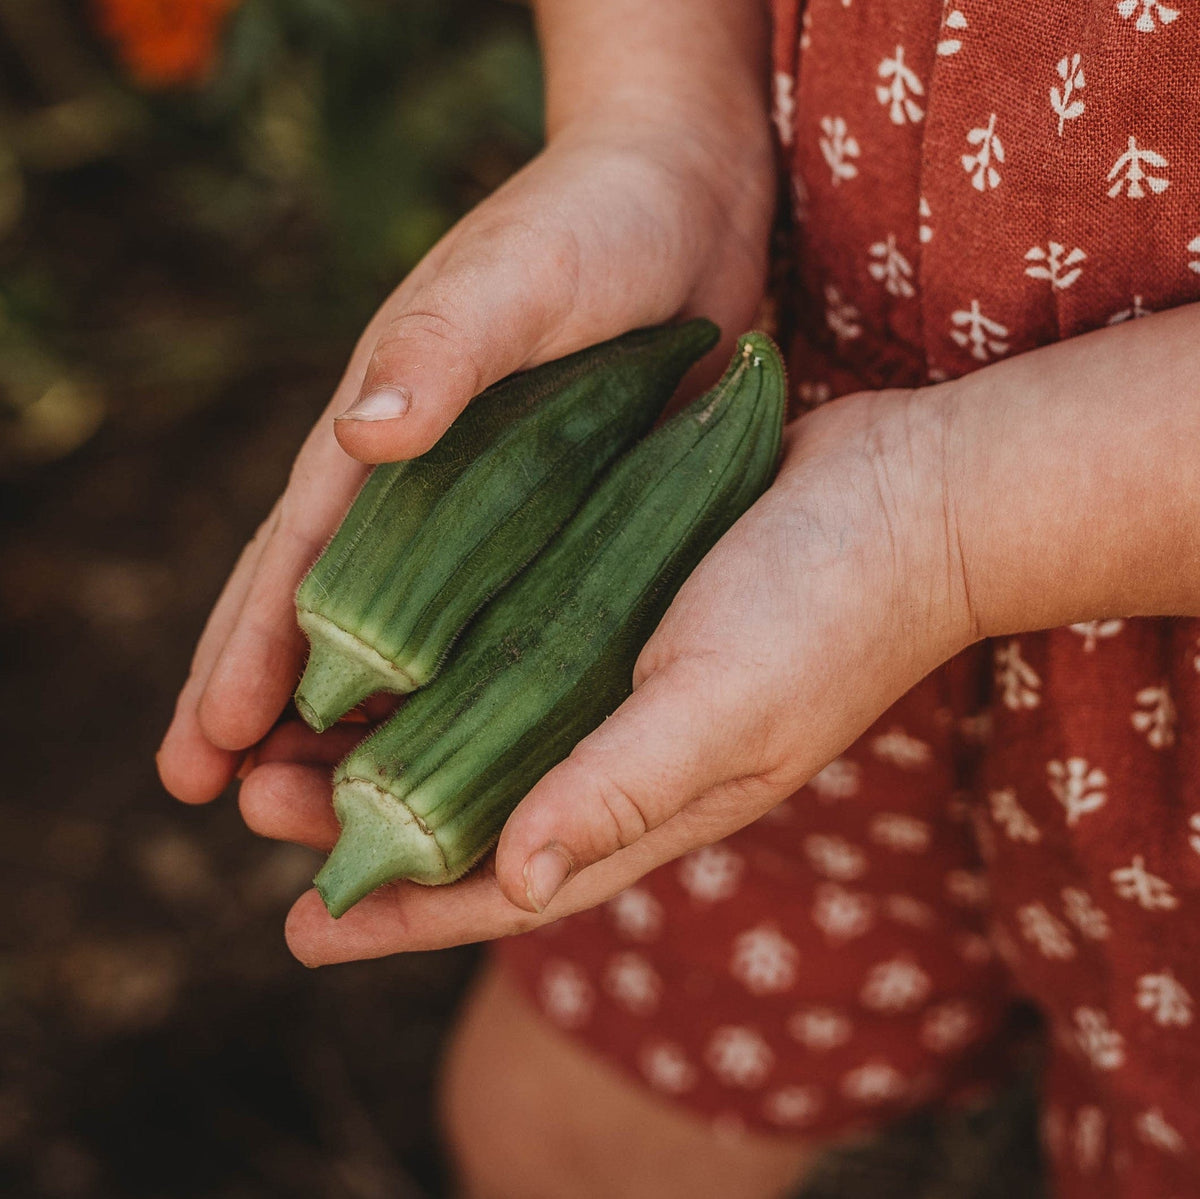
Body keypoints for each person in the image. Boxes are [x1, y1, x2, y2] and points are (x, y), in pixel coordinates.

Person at [156, 1, 1200, 1196]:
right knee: (565, 1139)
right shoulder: (727, 492)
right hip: (776, 593)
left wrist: (949, 518)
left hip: (1156, 695)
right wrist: (654, 117)